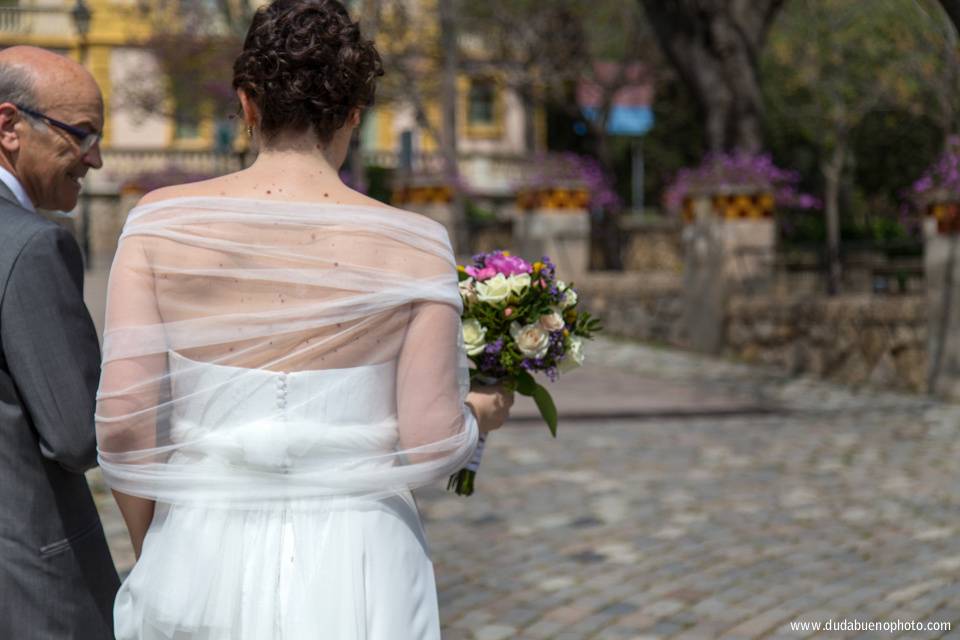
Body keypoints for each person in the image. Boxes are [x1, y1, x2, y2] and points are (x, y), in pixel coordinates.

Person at [95, 1, 514, 638]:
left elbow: (123, 427)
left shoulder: (159, 223)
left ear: (246, 105)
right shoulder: (416, 242)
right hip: (362, 555)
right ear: (353, 114)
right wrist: (479, 416)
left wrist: (160, 547)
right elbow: (428, 441)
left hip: (198, 543)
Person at [0, 47, 119, 638]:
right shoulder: (31, 246)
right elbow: (77, 436)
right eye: (80, 135)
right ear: (9, 126)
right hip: (26, 584)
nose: (93, 159)